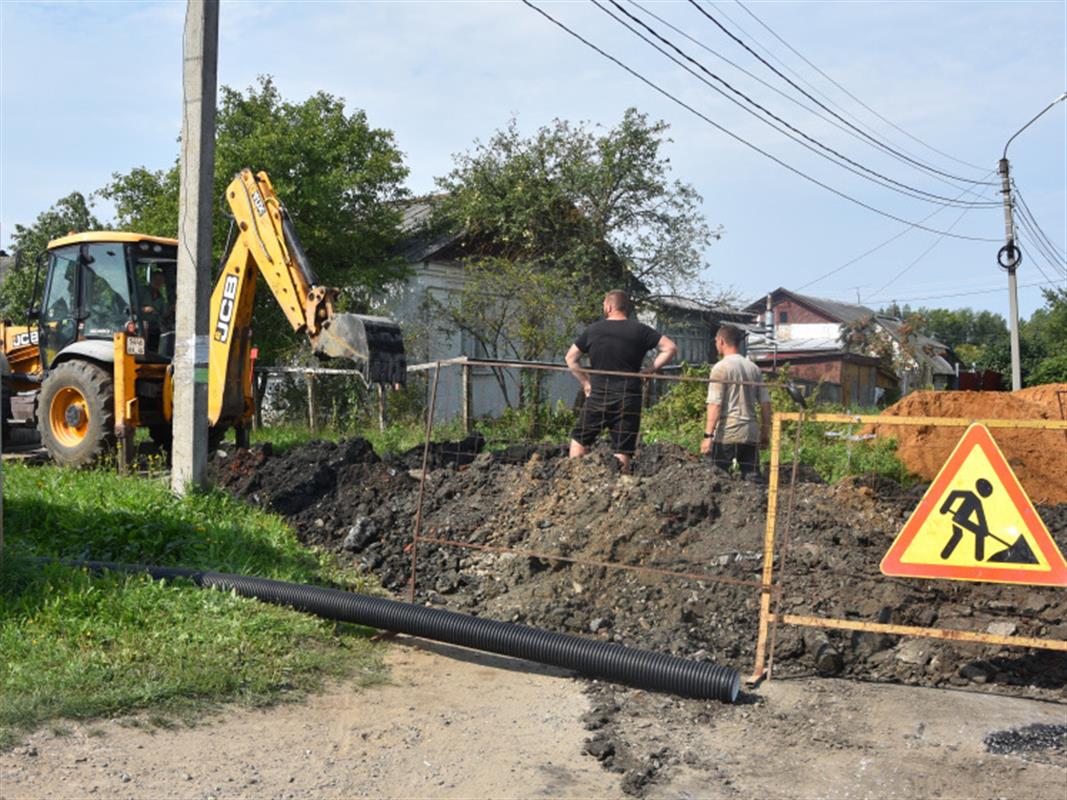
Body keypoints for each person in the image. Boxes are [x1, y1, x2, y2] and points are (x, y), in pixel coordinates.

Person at [566, 289, 677, 473]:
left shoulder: (594, 330)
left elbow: (571, 358)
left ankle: (573, 479)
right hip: (628, 396)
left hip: (599, 395)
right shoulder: (640, 330)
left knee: (579, 438)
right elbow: (670, 348)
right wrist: (648, 371)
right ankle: (621, 492)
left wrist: (586, 383)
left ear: (608, 306)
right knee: (622, 448)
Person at [700, 324, 771, 478]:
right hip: (750, 433)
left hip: (728, 433)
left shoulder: (720, 368)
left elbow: (715, 404)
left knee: (718, 478)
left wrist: (708, 437)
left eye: (716, 342)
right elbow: (766, 404)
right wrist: (765, 433)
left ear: (721, 341)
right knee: (752, 478)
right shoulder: (754, 368)